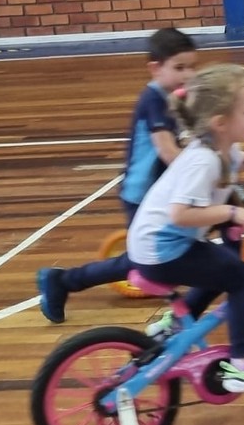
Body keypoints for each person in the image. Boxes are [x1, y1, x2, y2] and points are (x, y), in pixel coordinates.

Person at [127, 63, 244, 393]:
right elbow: (180, 214)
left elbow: (240, 159)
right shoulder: (203, 161)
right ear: (220, 123)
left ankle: (177, 323)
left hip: (164, 244)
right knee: (242, 277)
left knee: (221, 266)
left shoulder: (220, 146)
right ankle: (243, 363)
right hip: (161, 250)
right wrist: (232, 212)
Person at [37, 27, 197, 323]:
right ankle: (63, 281)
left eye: (191, 67)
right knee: (142, 258)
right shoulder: (154, 100)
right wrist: (203, 169)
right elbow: (166, 150)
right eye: (179, 68)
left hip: (160, 190)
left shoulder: (170, 97)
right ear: (155, 68)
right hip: (143, 193)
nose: (187, 75)